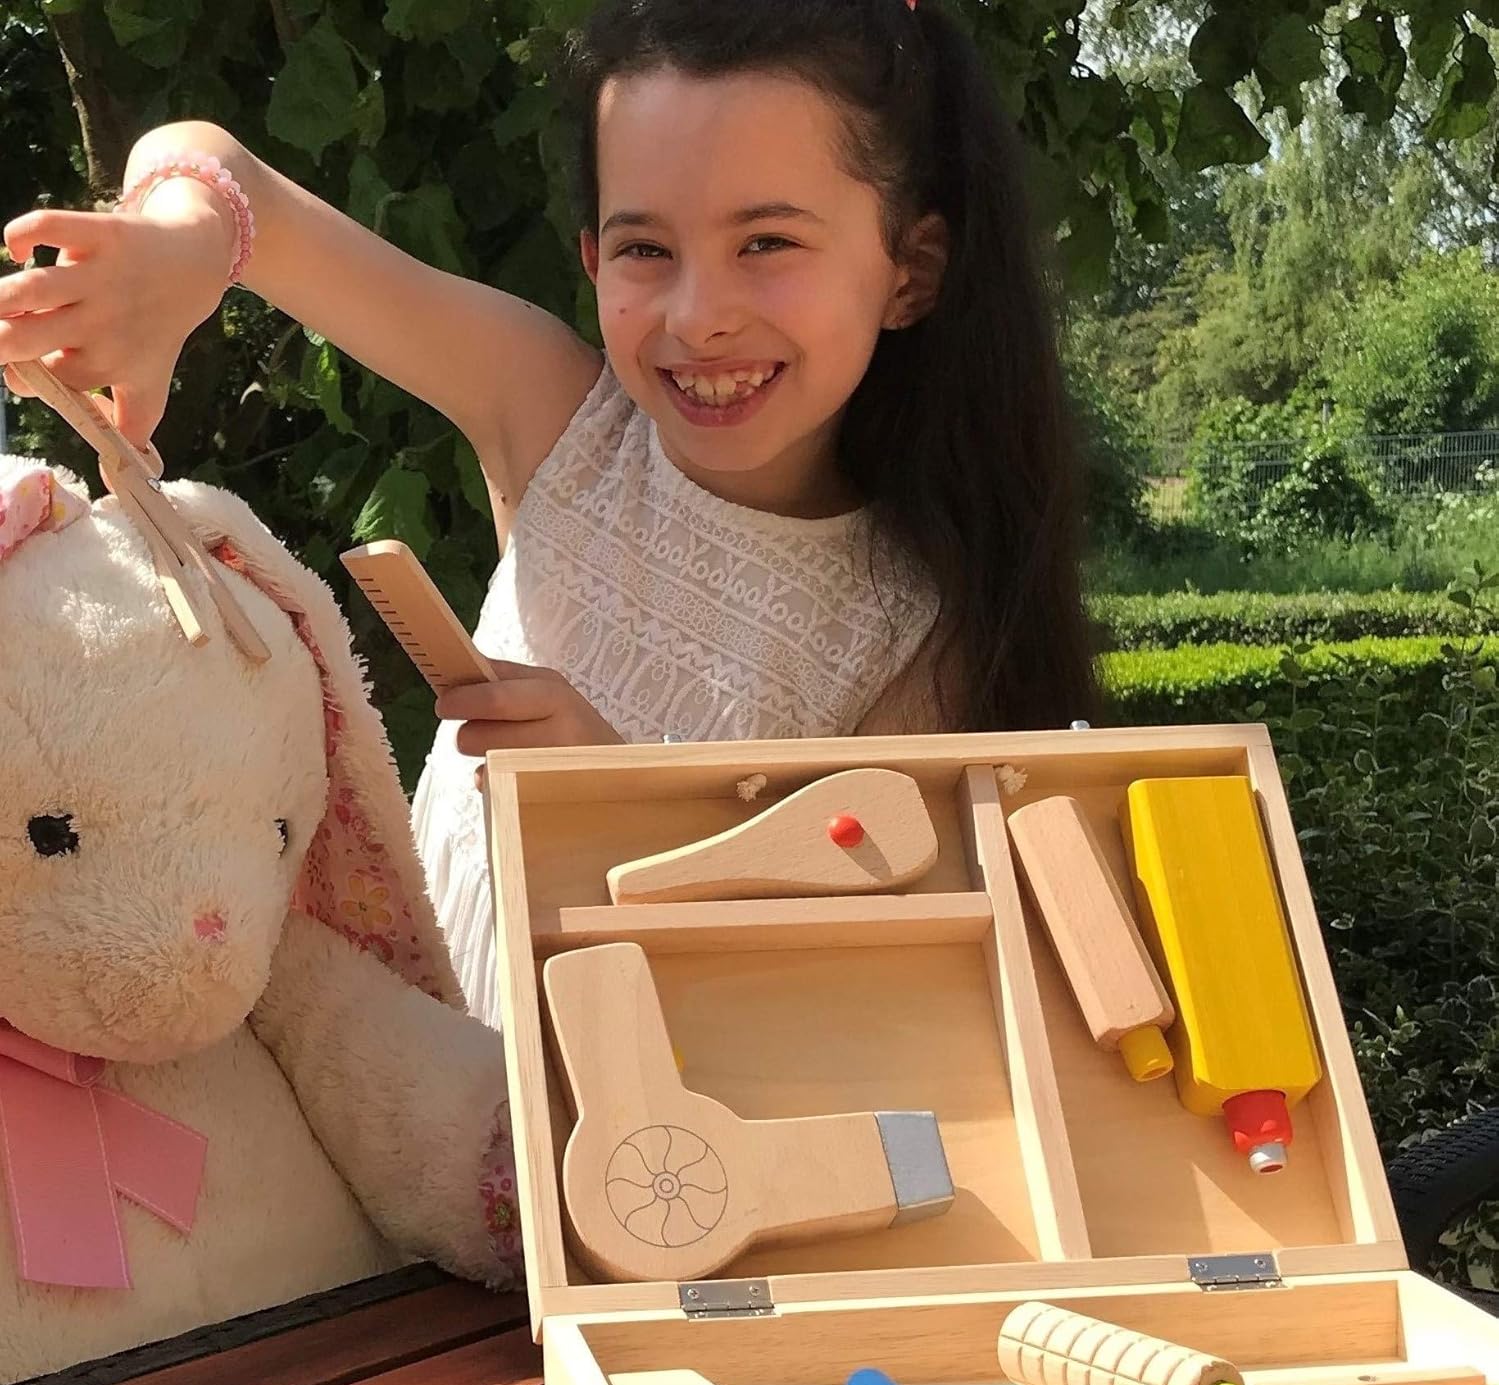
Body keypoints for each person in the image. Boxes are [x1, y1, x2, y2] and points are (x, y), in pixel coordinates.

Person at [0, 0, 1098, 1026]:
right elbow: (218, 168)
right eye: (644, 249)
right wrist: (180, 247)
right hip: (396, 1092)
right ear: (590, 256)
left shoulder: (915, 632)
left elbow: (846, 1014)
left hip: (641, 1152)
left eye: (766, 243)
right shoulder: (555, 418)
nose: (697, 316)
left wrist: (622, 811)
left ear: (910, 269)